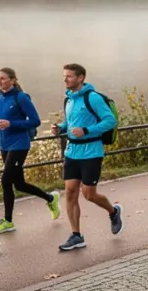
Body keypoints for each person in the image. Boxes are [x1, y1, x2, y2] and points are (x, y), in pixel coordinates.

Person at [50, 64, 121, 251]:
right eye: (64, 76)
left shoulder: (93, 98)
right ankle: (76, 235)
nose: (65, 80)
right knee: (71, 192)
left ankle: (113, 211)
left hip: (91, 152)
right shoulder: (69, 99)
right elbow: (71, 122)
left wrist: (87, 130)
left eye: (69, 77)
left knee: (89, 194)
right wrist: (61, 127)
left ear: (81, 78)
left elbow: (109, 121)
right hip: (72, 152)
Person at [0, 67, 61, 234]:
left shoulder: (21, 97)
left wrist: (11, 124)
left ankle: (8, 221)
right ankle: (50, 198)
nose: (0, 81)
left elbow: (35, 121)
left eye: (4, 78)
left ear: (13, 80)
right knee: (19, 184)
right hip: (4, 144)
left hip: (19, 144)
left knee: (6, 181)